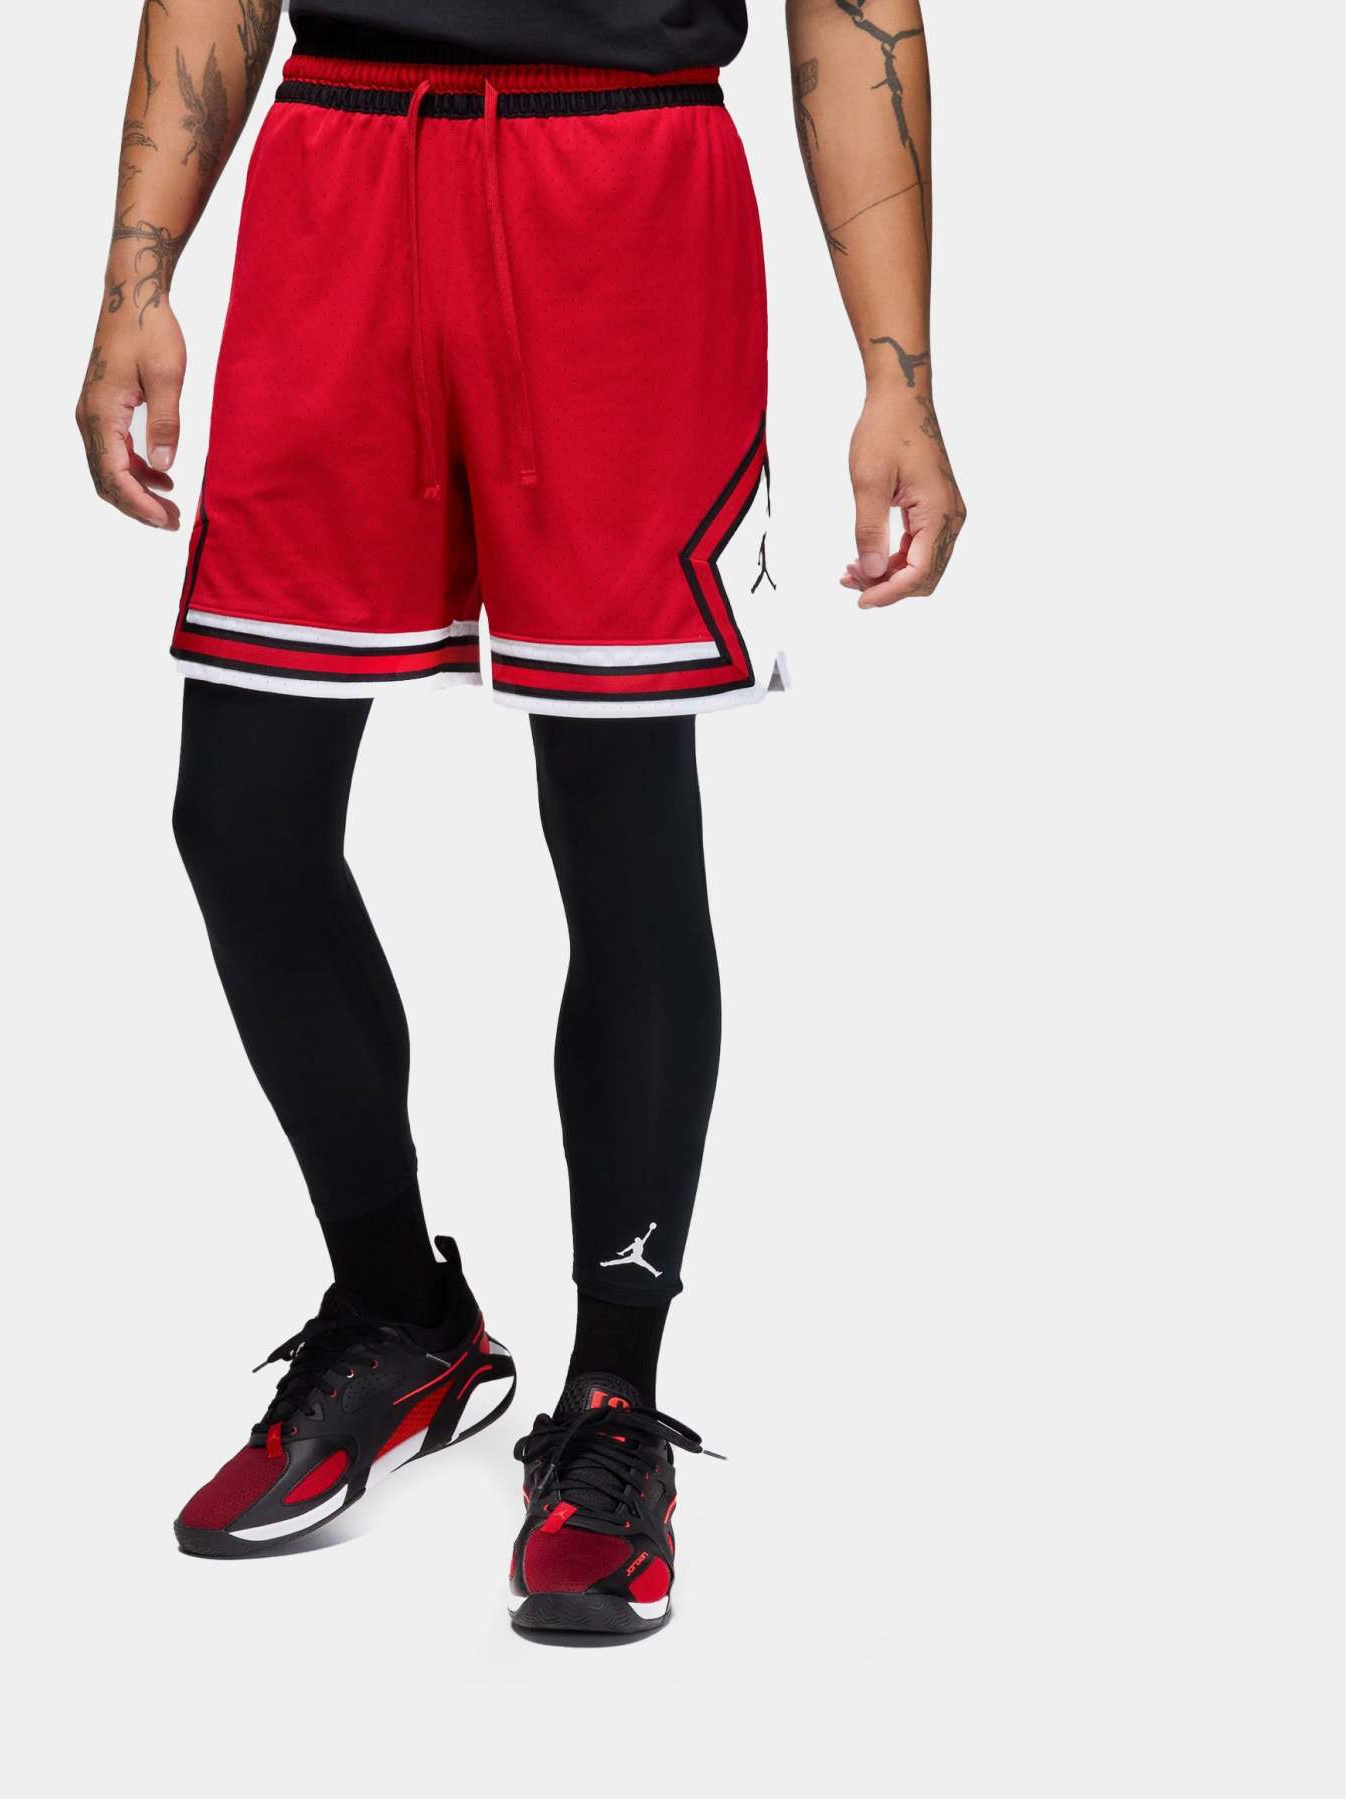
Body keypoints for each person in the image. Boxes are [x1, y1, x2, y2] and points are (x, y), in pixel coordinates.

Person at [76, 0, 964, 1637]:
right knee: (241, 814)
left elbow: (855, 11)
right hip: (340, 169)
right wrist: (137, 277)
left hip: (624, 185)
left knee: (619, 820)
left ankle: (613, 1400)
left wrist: (896, 374)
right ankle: (401, 1316)